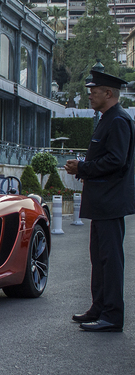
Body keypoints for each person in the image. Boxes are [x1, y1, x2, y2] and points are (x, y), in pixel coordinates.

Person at [65, 70, 135, 333]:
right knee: (99, 258)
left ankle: (113, 315)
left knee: (110, 260)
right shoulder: (109, 118)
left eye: (95, 91)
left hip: (110, 201)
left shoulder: (118, 120)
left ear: (109, 93)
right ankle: (99, 307)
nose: (90, 94)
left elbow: (116, 160)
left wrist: (82, 168)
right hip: (104, 202)